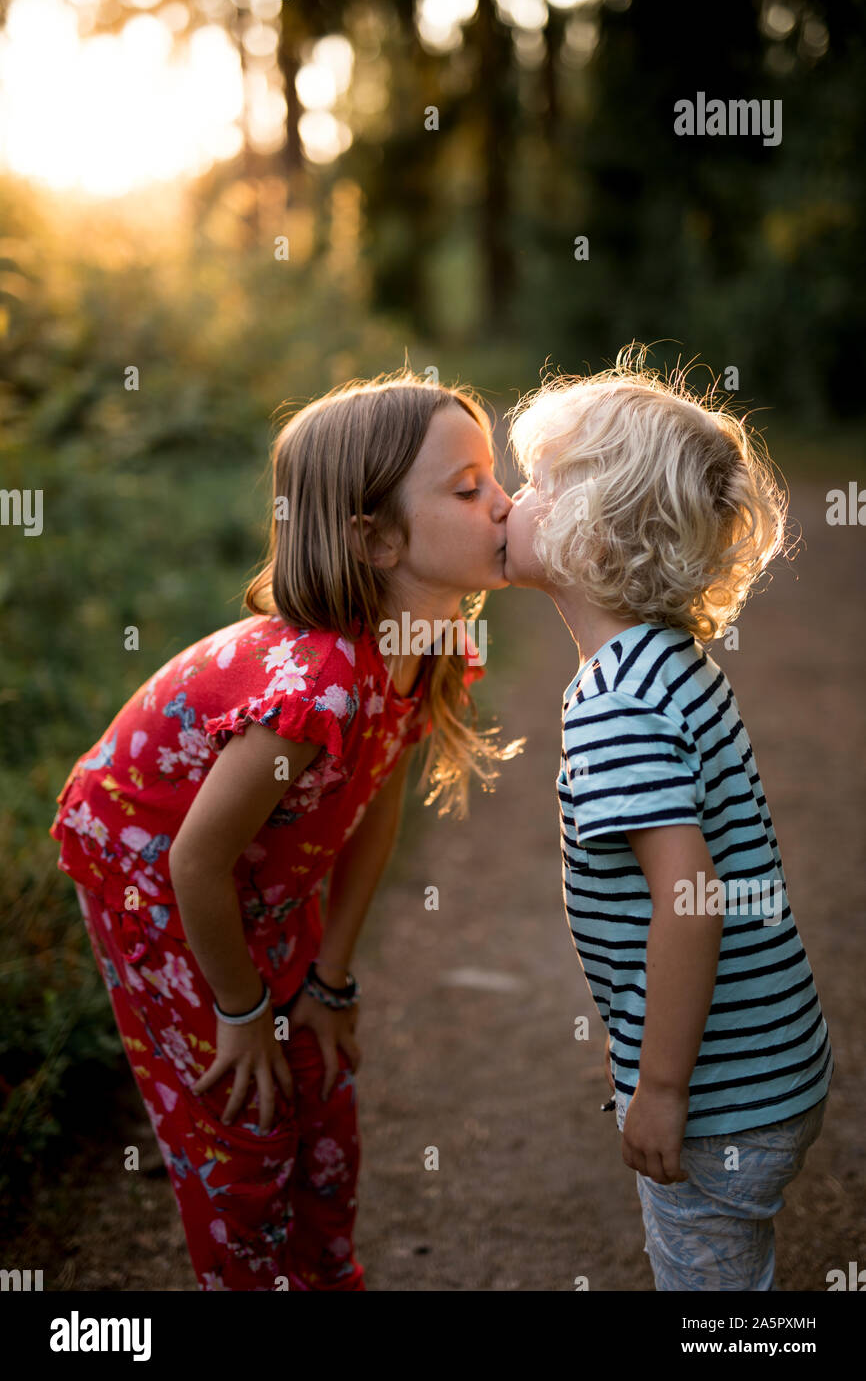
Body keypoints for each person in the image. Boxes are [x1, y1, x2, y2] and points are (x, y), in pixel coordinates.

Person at [49, 368, 520, 1291]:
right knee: (246, 1119)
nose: (507, 505)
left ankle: (326, 1273)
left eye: (495, 479)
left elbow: (375, 799)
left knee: (320, 1085)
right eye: (471, 490)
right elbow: (196, 859)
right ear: (376, 537)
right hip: (150, 874)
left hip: (264, 877)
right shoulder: (316, 691)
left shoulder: (423, 644)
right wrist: (241, 1012)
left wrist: (330, 979)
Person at [502, 347, 834, 1291]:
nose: (512, 504)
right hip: (774, 1056)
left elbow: (690, 901)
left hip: (725, 1096)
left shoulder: (615, 701)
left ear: (594, 538)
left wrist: (660, 1090)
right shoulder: (668, 660)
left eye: (536, 485)